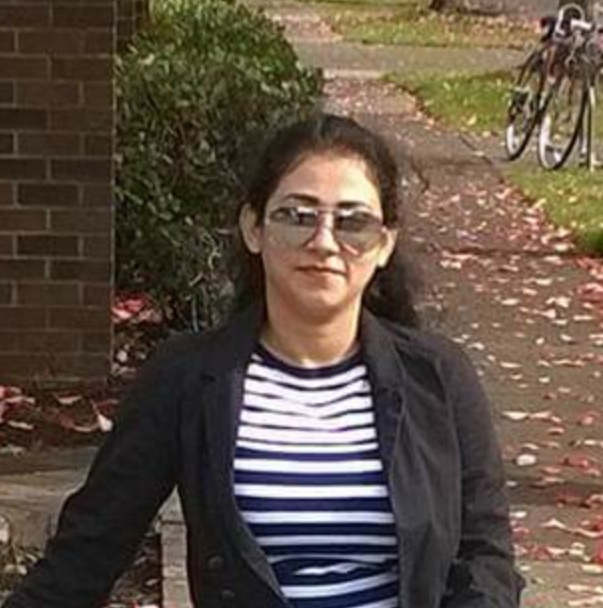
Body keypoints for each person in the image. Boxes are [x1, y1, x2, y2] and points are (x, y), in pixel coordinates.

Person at [2, 113, 524, 608]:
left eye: (353, 222)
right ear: (253, 228)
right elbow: (88, 552)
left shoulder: (438, 376)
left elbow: (485, 559)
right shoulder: (187, 378)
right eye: (296, 216)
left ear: (385, 243)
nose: (324, 242)